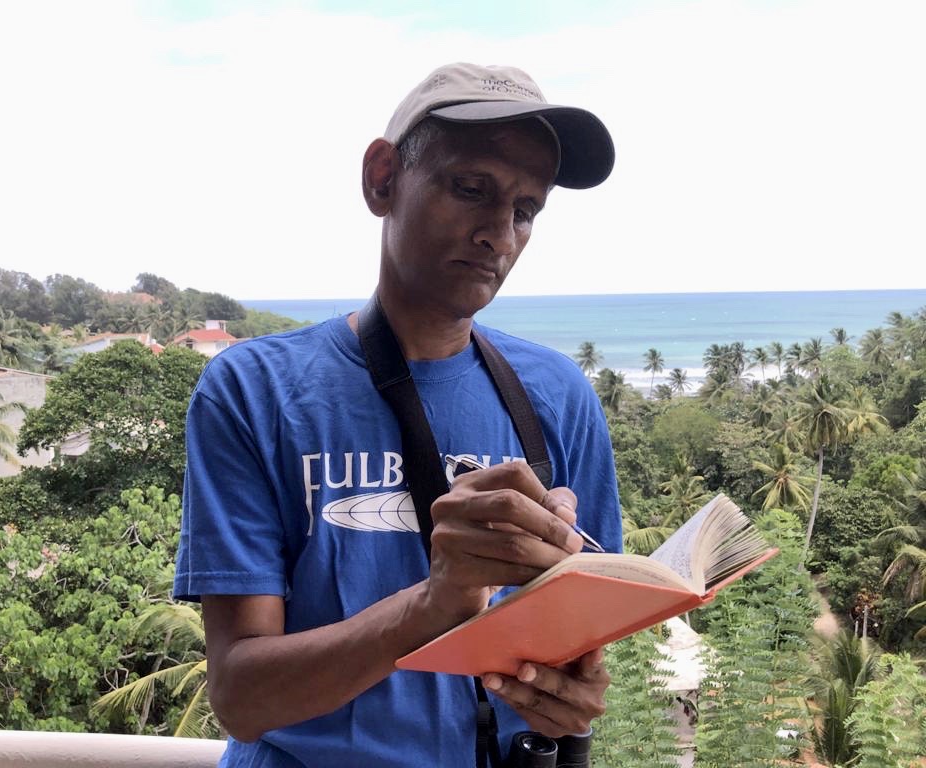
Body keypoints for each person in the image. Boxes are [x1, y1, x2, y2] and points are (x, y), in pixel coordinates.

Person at [173, 61, 623, 768]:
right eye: (472, 189)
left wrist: (571, 694)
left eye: (527, 209)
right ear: (382, 179)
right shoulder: (254, 390)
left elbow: (579, 656)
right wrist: (437, 601)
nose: (500, 235)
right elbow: (240, 697)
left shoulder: (557, 395)